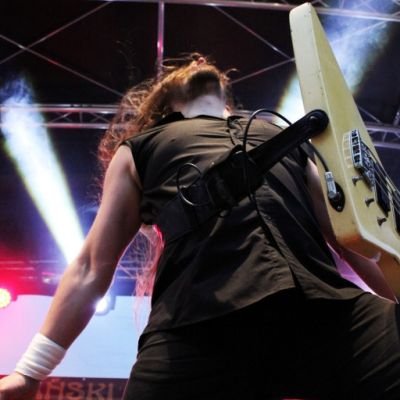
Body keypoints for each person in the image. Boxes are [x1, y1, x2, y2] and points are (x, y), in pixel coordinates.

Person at [0, 53, 400, 400]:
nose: (196, 60)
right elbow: (91, 266)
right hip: (196, 331)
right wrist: (30, 372)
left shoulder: (279, 135)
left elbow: (350, 236)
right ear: (165, 104)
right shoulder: (141, 149)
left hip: (321, 310)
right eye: (182, 65)